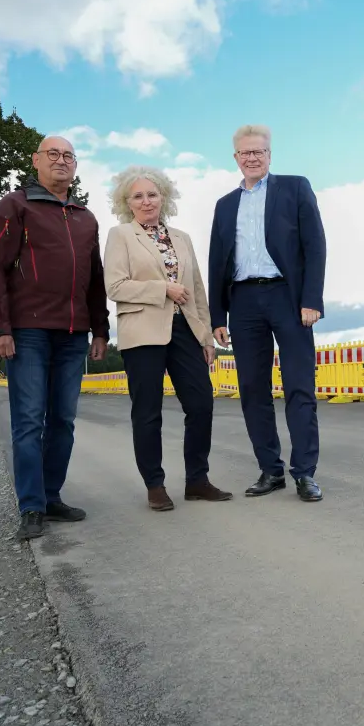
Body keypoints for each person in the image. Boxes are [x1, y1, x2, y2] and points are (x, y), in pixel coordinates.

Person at [0, 135, 110, 541]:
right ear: (35, 161)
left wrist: (100, 328)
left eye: (68, 155)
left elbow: (95, 279)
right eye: (53, 154)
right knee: (29, 421)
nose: (61, 161)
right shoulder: (15, 205)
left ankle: (51, 496)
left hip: (73, 335)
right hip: (28, 331)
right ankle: (30, 506)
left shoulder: (85, 217)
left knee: (63, 421)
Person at [207, 125, 327, 502]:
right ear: (236, 158)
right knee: (253, 390)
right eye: (245, 153)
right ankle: (270, 470)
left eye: (259, 151)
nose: (253, 157)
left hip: (287, 298)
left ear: (270, 155)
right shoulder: (225, 205)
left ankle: (304, 473)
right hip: (243, 302)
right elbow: (216, 261)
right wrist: (217, 316)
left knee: (298, 387)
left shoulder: (294, 188)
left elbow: (315, 245)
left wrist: (312, 299)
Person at [104, 166, 233, 511]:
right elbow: (115, 286)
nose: (146, 201)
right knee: (148, 412)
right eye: (138, 196)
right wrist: (163, 289)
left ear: (164, 197)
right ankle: (155, 485)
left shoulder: (181, 238)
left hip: (185, 330)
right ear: (127, 203)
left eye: (152, 194)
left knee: (201, 403)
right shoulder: (121, 236)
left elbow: (196, 290)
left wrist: (206, 336)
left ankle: (197, 480)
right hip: (142, 331)